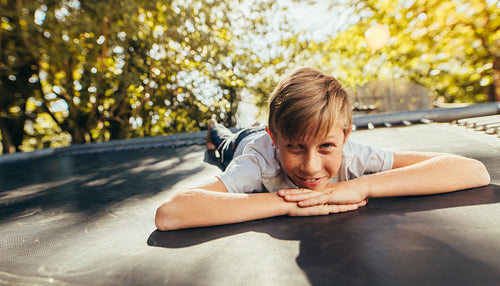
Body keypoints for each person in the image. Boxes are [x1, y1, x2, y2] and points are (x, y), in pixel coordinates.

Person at [155, 67, 490, 231]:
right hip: (244, 141)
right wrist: (287, 204)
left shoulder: (354, 155)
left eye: (326, 146)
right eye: (296, 148)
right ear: (276, 140)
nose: (312, 166)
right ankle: (214, 129)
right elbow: (170, 212)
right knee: (224, 140)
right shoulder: (257, 161)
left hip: (274, 130)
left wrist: (358, 185)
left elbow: (474, 171)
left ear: (345, 136)